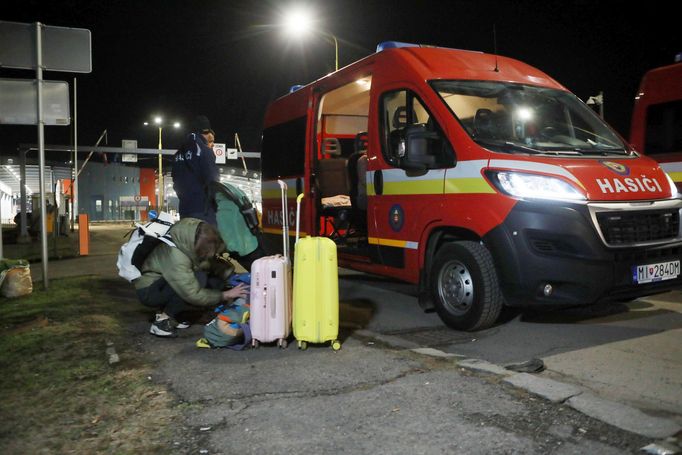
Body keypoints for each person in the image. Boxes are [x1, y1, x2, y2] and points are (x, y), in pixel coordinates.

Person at [134, 217, 249, 338]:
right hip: (150, 290)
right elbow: (192, 293)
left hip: (167, 281)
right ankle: (162, 321)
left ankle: (176, 314)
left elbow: (208, 263)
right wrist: (225, 295)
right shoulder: (176, 257)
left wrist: (232, 277)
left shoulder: (192, 237)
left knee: (214, 282)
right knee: (199, 279)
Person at [172, 115, 220, 225]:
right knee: (208, 241)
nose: (212, 144)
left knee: (188, 241)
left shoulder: (179, 153)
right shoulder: (204, 151)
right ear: (207, 133)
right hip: (204, 211)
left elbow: (176, 182)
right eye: (212, 140)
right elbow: (213, 182)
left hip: (184, 210)